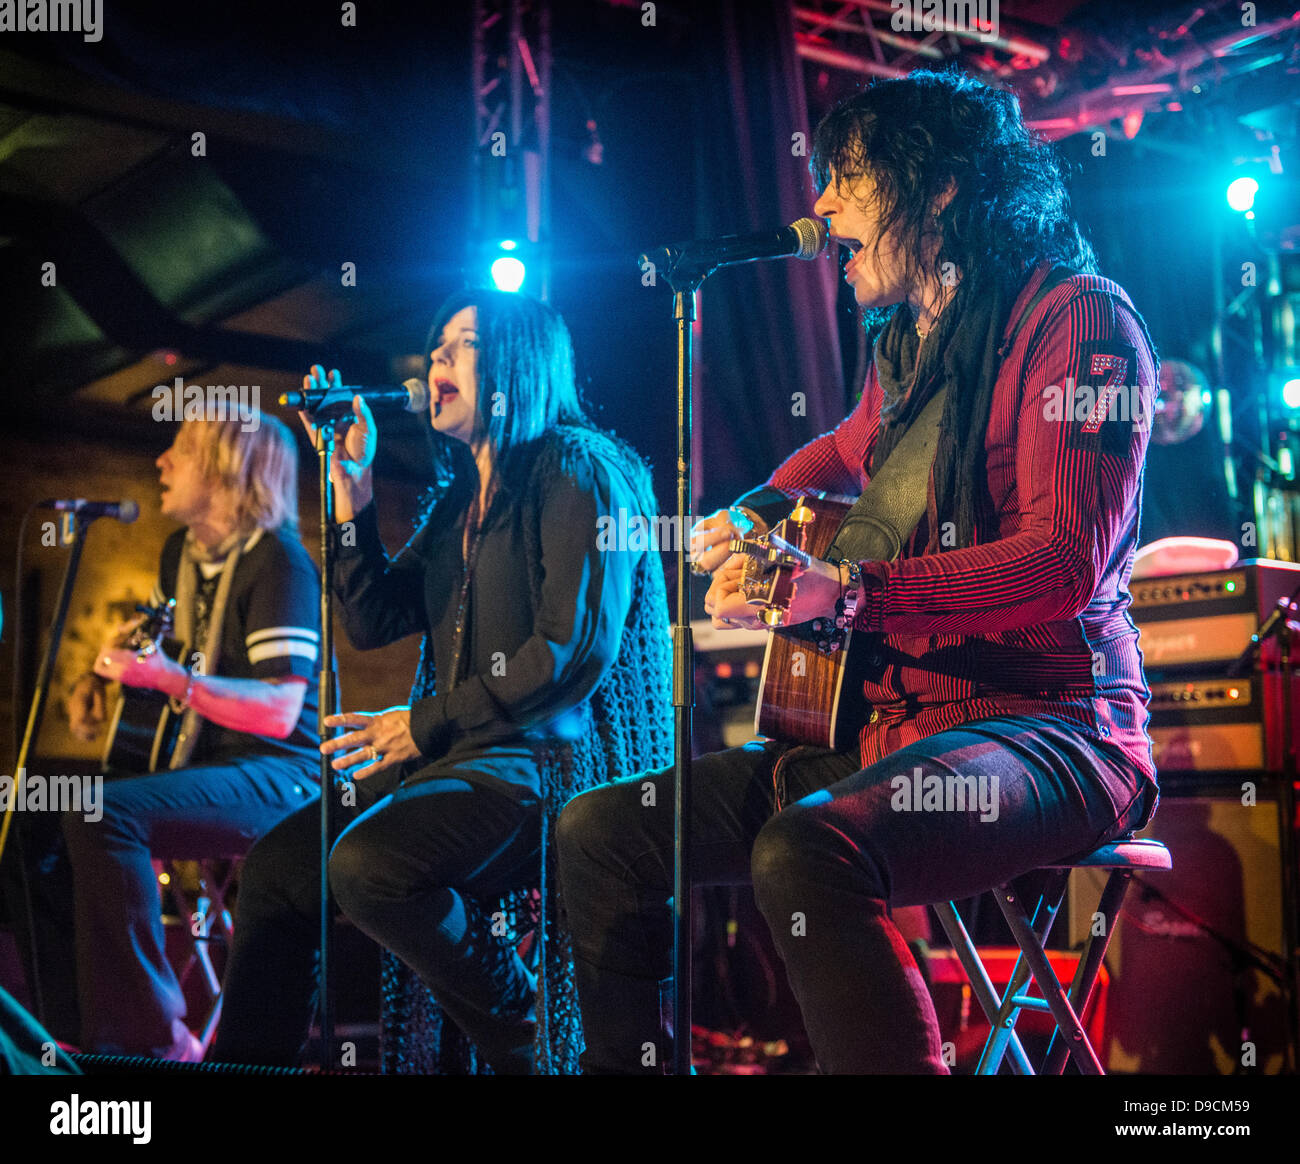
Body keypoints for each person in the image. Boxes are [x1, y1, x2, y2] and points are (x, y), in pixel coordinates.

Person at [556, 68, 1162, 1074]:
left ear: (937, 191)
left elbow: (1064, 564)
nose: (821, 204)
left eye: (847, 178)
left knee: (808, 850)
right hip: (892, 727)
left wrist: (848, 593)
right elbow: (842, 450)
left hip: (1053, 728)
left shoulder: (1081, 326)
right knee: (602, 831)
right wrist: (746, 516)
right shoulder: (912, 350)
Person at [211, 290, 667, 1074]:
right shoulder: (462, 499)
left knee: (369, 866)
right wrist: (351, 490)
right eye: (436, 346)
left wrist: (416, 726)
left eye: (464, 343)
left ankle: (527, 1029)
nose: (437, 360)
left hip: (552, 767)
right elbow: (374, 617)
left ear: (521, 360)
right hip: (463, 756)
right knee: (279, 871)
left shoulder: (578, 468)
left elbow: (571, 652)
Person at [57, 414, 322, 1060]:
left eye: (180, 449)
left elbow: (281, 710)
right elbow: (168, 670)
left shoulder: (279, 560)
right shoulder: (179, 556)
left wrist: (172, 679)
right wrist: (114, 678)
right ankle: (72, 1028)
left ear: (227, 465)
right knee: (42, 819)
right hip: (208, 766)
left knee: (105, 814)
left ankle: (151, 1039)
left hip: (282, 776)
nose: (162, 462)